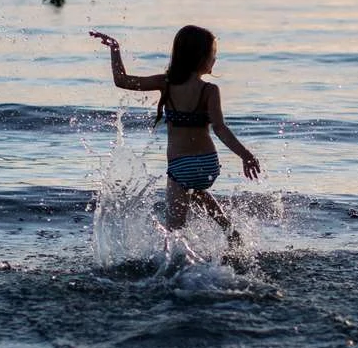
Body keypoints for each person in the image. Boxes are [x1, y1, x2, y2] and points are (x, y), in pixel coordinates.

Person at [90, 25, 261, 238]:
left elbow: (122, 81)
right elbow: (220, 128)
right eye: (212, 55)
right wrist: (245, 155)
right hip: (208, 164)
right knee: (197, 190)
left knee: (174, 231)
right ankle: (227, 229)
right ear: (200, 58)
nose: (214, 60)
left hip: (181, 166)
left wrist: (115, 50)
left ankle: (175, 262)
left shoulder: (166, 83)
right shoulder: (210, 90)